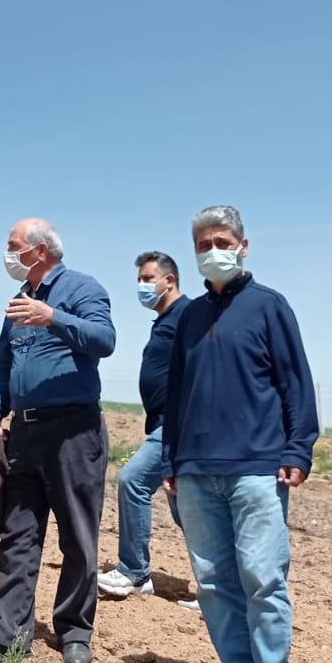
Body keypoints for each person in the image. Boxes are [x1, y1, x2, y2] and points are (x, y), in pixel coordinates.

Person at [161, 206, 317, 663]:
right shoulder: (189, 316)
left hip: (257, 467)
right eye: (204, 243)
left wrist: (300, 447)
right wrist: (170, 459)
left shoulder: (270, 307)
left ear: (244, 245)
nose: (213, 250)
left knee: (262, 577)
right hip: (197, 469)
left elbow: (296, 381)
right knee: (212, 581)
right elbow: (176, 393)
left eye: (222, 240)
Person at [0, 219, 116, 663]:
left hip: (73, 432)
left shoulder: (83, 289)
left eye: (13, 246)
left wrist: (54, 318)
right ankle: (8, 634)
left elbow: (105, 341)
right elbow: (4, 368)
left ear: (40, 250)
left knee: (78, 538)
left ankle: (74, 631)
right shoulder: (17, 305)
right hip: (22, 435)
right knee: (18, 533)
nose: (7, 255)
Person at [97, 251, 199, 610]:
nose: (141, 286)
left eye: (146, 278)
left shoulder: (188, 315)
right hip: (162, 425)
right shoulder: (165, 319)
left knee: (133, 480)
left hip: (178, 427)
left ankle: (135, 573)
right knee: (187, 509)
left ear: (168, 280)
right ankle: (220, 588)